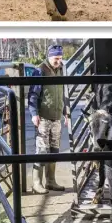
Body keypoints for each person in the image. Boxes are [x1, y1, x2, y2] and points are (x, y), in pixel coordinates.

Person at [27, 45, 68, 194]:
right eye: (56, 58)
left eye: (61, 58)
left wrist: (66, 112)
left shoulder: (61, 70)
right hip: (43, 117)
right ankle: (36, 183)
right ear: (49, 57)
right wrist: (34, 114)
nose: (59, 61)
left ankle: (51, 181)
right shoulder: (40, 71)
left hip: (56, 117)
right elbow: (33, 94)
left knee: (54, 150)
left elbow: (64, 93)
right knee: (42, 150)